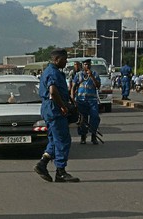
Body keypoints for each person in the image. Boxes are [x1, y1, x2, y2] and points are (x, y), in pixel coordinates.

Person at [34, 48, 80, 183]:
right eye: (64, 59)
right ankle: (60, 171)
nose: (66, 62)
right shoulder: (52, 72)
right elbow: (53, 92)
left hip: (50, 109)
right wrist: (63, 106)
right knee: (63, 139)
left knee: (54, 140)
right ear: (57, 59)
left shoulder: (52, 71)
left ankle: (42, 164)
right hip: (54, 109)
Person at [71, 59, 101, 145]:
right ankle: (83, 136)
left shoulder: (95, 74)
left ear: (90, 65)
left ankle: (93, 135)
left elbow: (98, 86)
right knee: (82, 119)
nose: (86, 66)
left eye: (88, 64)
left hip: (92, 101)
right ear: (82, 66)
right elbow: (73, 87)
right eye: (85, 65)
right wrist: (73, 98)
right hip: (81, 101)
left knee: (95, 117)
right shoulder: (78, 75)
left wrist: (92, 77)